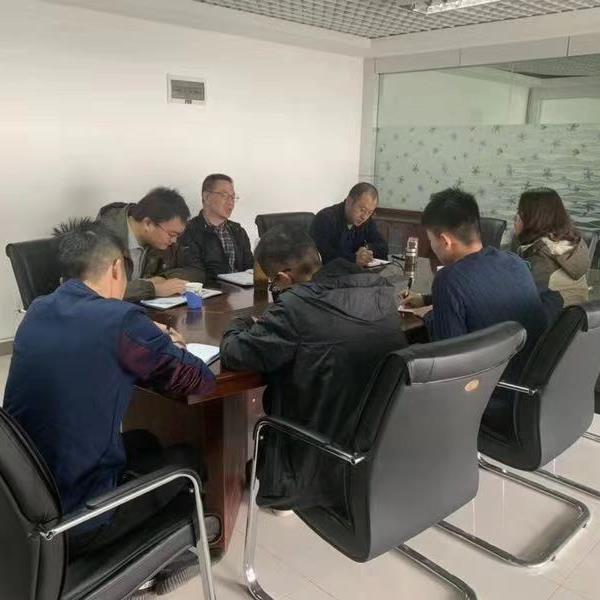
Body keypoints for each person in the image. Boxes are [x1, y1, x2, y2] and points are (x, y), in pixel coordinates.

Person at [4, 219, 216, 571]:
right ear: (117, 267)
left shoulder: (38, 309)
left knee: (145, 441)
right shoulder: (121, 321)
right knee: (189, 461)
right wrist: (167, 342)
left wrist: (142, 332)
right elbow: (199, 381)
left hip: (22, 499)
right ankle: (157, 565)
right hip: (73, 523)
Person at [220, 225, 407, 510]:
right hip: (375, 445)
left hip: (312, 459)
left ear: (284, 277)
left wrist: (239, 323)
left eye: (274, 285)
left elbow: (235, 354)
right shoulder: (380, 290)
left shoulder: (295, 307)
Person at [402, 188, 547, 347]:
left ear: (445, 241)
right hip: (531, 357)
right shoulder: (515, 261)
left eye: (431, 240)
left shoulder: (448, 279)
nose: (432, 246)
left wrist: (429, 315)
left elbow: (448, 349)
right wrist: (425, 299)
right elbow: (482, 293)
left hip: (492, 362)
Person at [98, 187, 206, 302]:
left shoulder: (162, 240)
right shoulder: (102, 238)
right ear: (148, 224)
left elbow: (197, 271)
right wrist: (152, 288)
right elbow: (100, 291)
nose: (174, 241)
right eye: (171, 234)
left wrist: (162, 278)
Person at [514, 188, 590, 306]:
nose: (516, 217)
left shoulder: (541, 254)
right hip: (575, 315)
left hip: (550, 315)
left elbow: (518, 294)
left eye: (520, 212)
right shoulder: (571, 240)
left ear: (533, 217)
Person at [182, 174, 253, 282]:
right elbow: (195, 274)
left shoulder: (238, 231)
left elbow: (250, 269)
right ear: (206, 197)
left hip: (241, 291)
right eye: (224, 195)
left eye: (233, 197)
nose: (230, 202)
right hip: (210, 291)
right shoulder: (189, 231)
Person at [310, 182, 388, 267]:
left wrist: (366, 249)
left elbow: (383, 247)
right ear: (349, 201)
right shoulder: (325, 218)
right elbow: (323, 255)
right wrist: (353, 259)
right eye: (362, 210)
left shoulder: (367, 221)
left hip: (356, 272)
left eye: (370, 212)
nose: (364, 217)